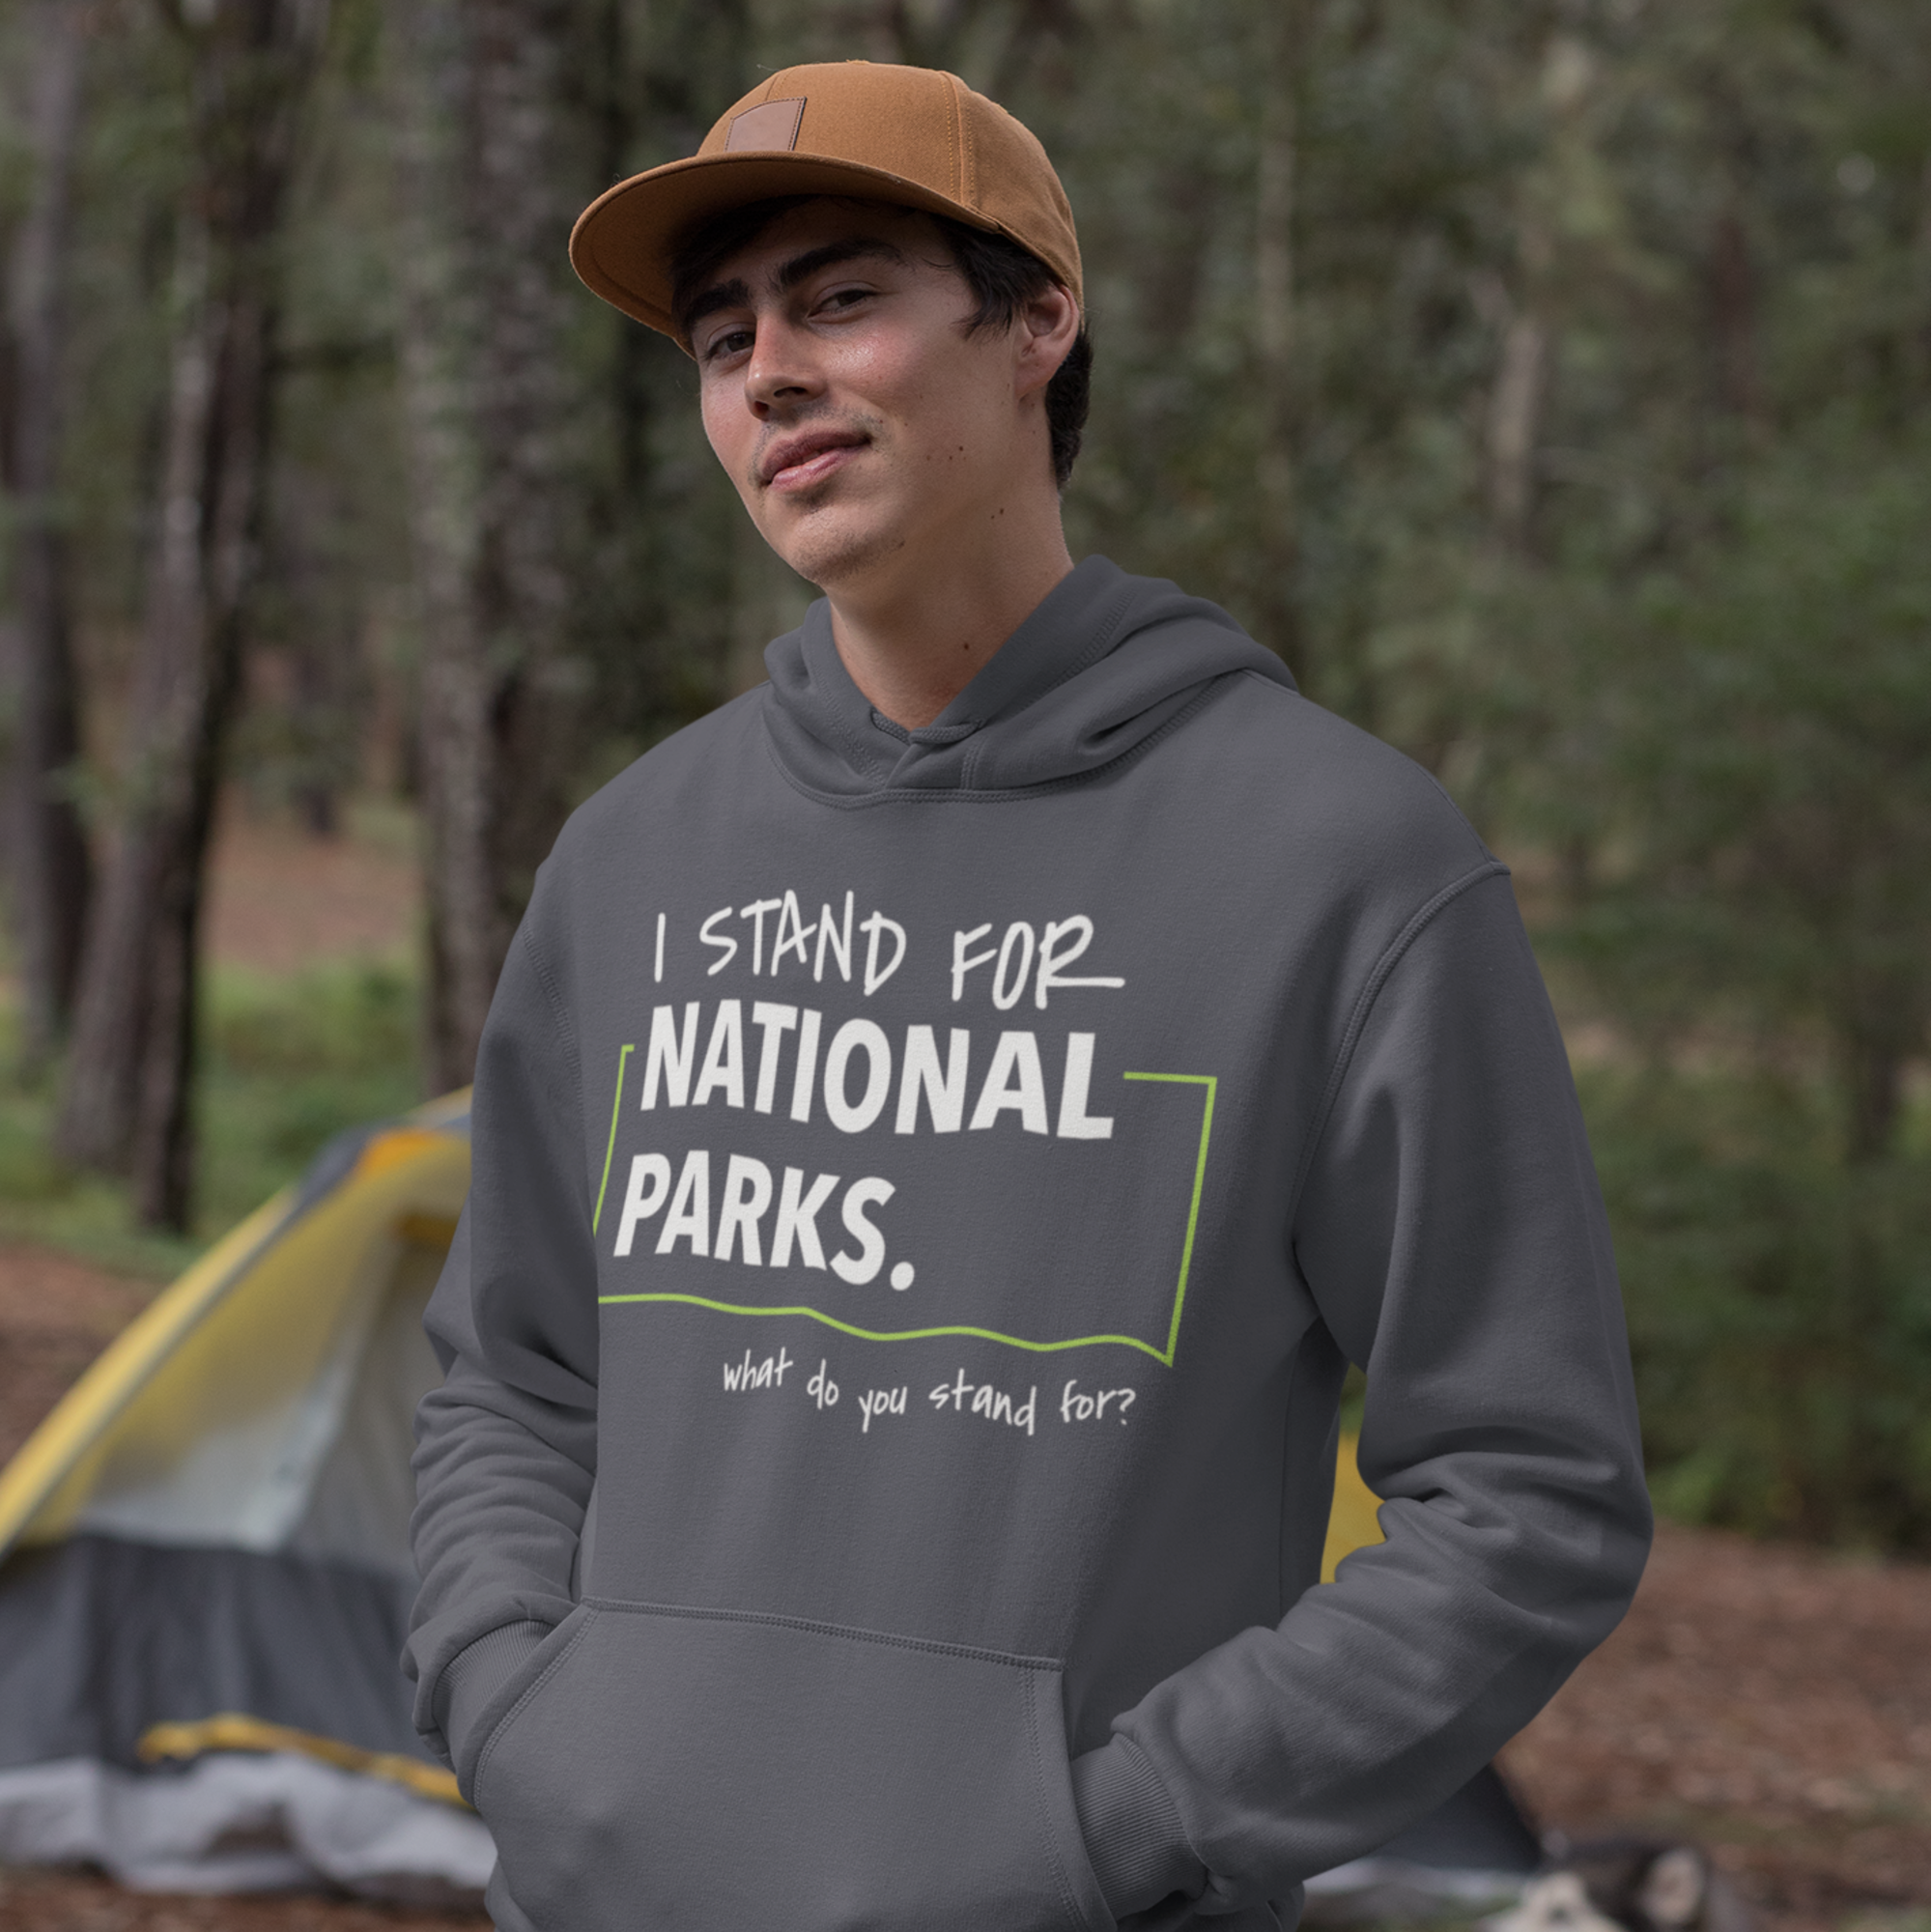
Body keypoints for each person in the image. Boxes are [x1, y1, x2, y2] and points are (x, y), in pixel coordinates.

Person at [405, 60, 1652, 1932]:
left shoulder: (1338, 862)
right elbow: (510, 1371)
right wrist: (519, 1710)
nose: (768, 374)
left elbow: (1527, 1489)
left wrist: (1118, 1827)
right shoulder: (634, 854)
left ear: (1036, 324)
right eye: (721, 333)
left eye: (841, 298)